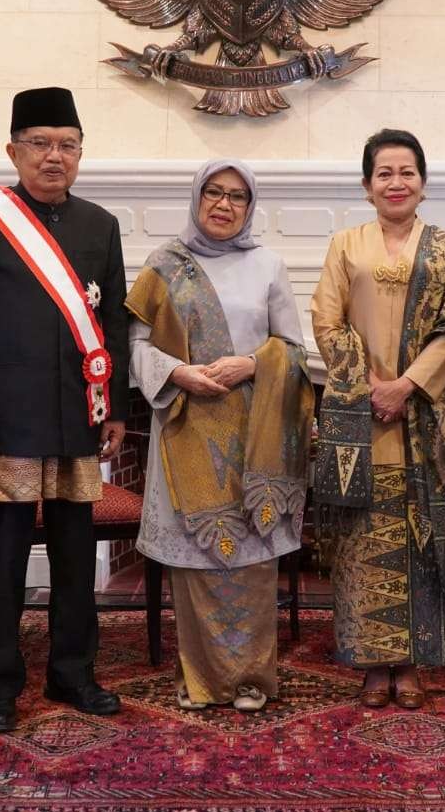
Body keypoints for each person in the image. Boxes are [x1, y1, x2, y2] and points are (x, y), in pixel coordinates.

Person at [0, 87, 129, 734]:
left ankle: (73, 674)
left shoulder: (99, 225)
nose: (55, 157)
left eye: (68, 146)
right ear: (14, 151)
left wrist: (117, 412)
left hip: (79, 418)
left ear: (80, 154)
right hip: (2, 422)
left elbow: (111, 324)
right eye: (41, 145)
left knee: (77, 561)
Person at [126, 159, 312, 713]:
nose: (224, 204)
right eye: (213, 192)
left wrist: (252, 365)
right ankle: (201, 677)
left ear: (250, 207)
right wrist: (178, 373)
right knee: (195, 561)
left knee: (251, 560)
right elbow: (135, 347)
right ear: (196, 197)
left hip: (255, 434)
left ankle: (252, 678)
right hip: (186, 424)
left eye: (237, 196)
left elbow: (295, 352)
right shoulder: (163, 265)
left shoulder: (268, 265)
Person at [311, 129, 445, 710]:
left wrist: (408, 386)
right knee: (364, 546)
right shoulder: (345, 245)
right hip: (362, 420)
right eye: (384, 173)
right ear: (366, 186)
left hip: (428, 420)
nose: (396, 182)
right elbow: (327, 323)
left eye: (407, 172)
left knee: (420, 544)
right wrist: (369, 387)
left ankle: (413, 664)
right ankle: (372, 663)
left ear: (424, 184)